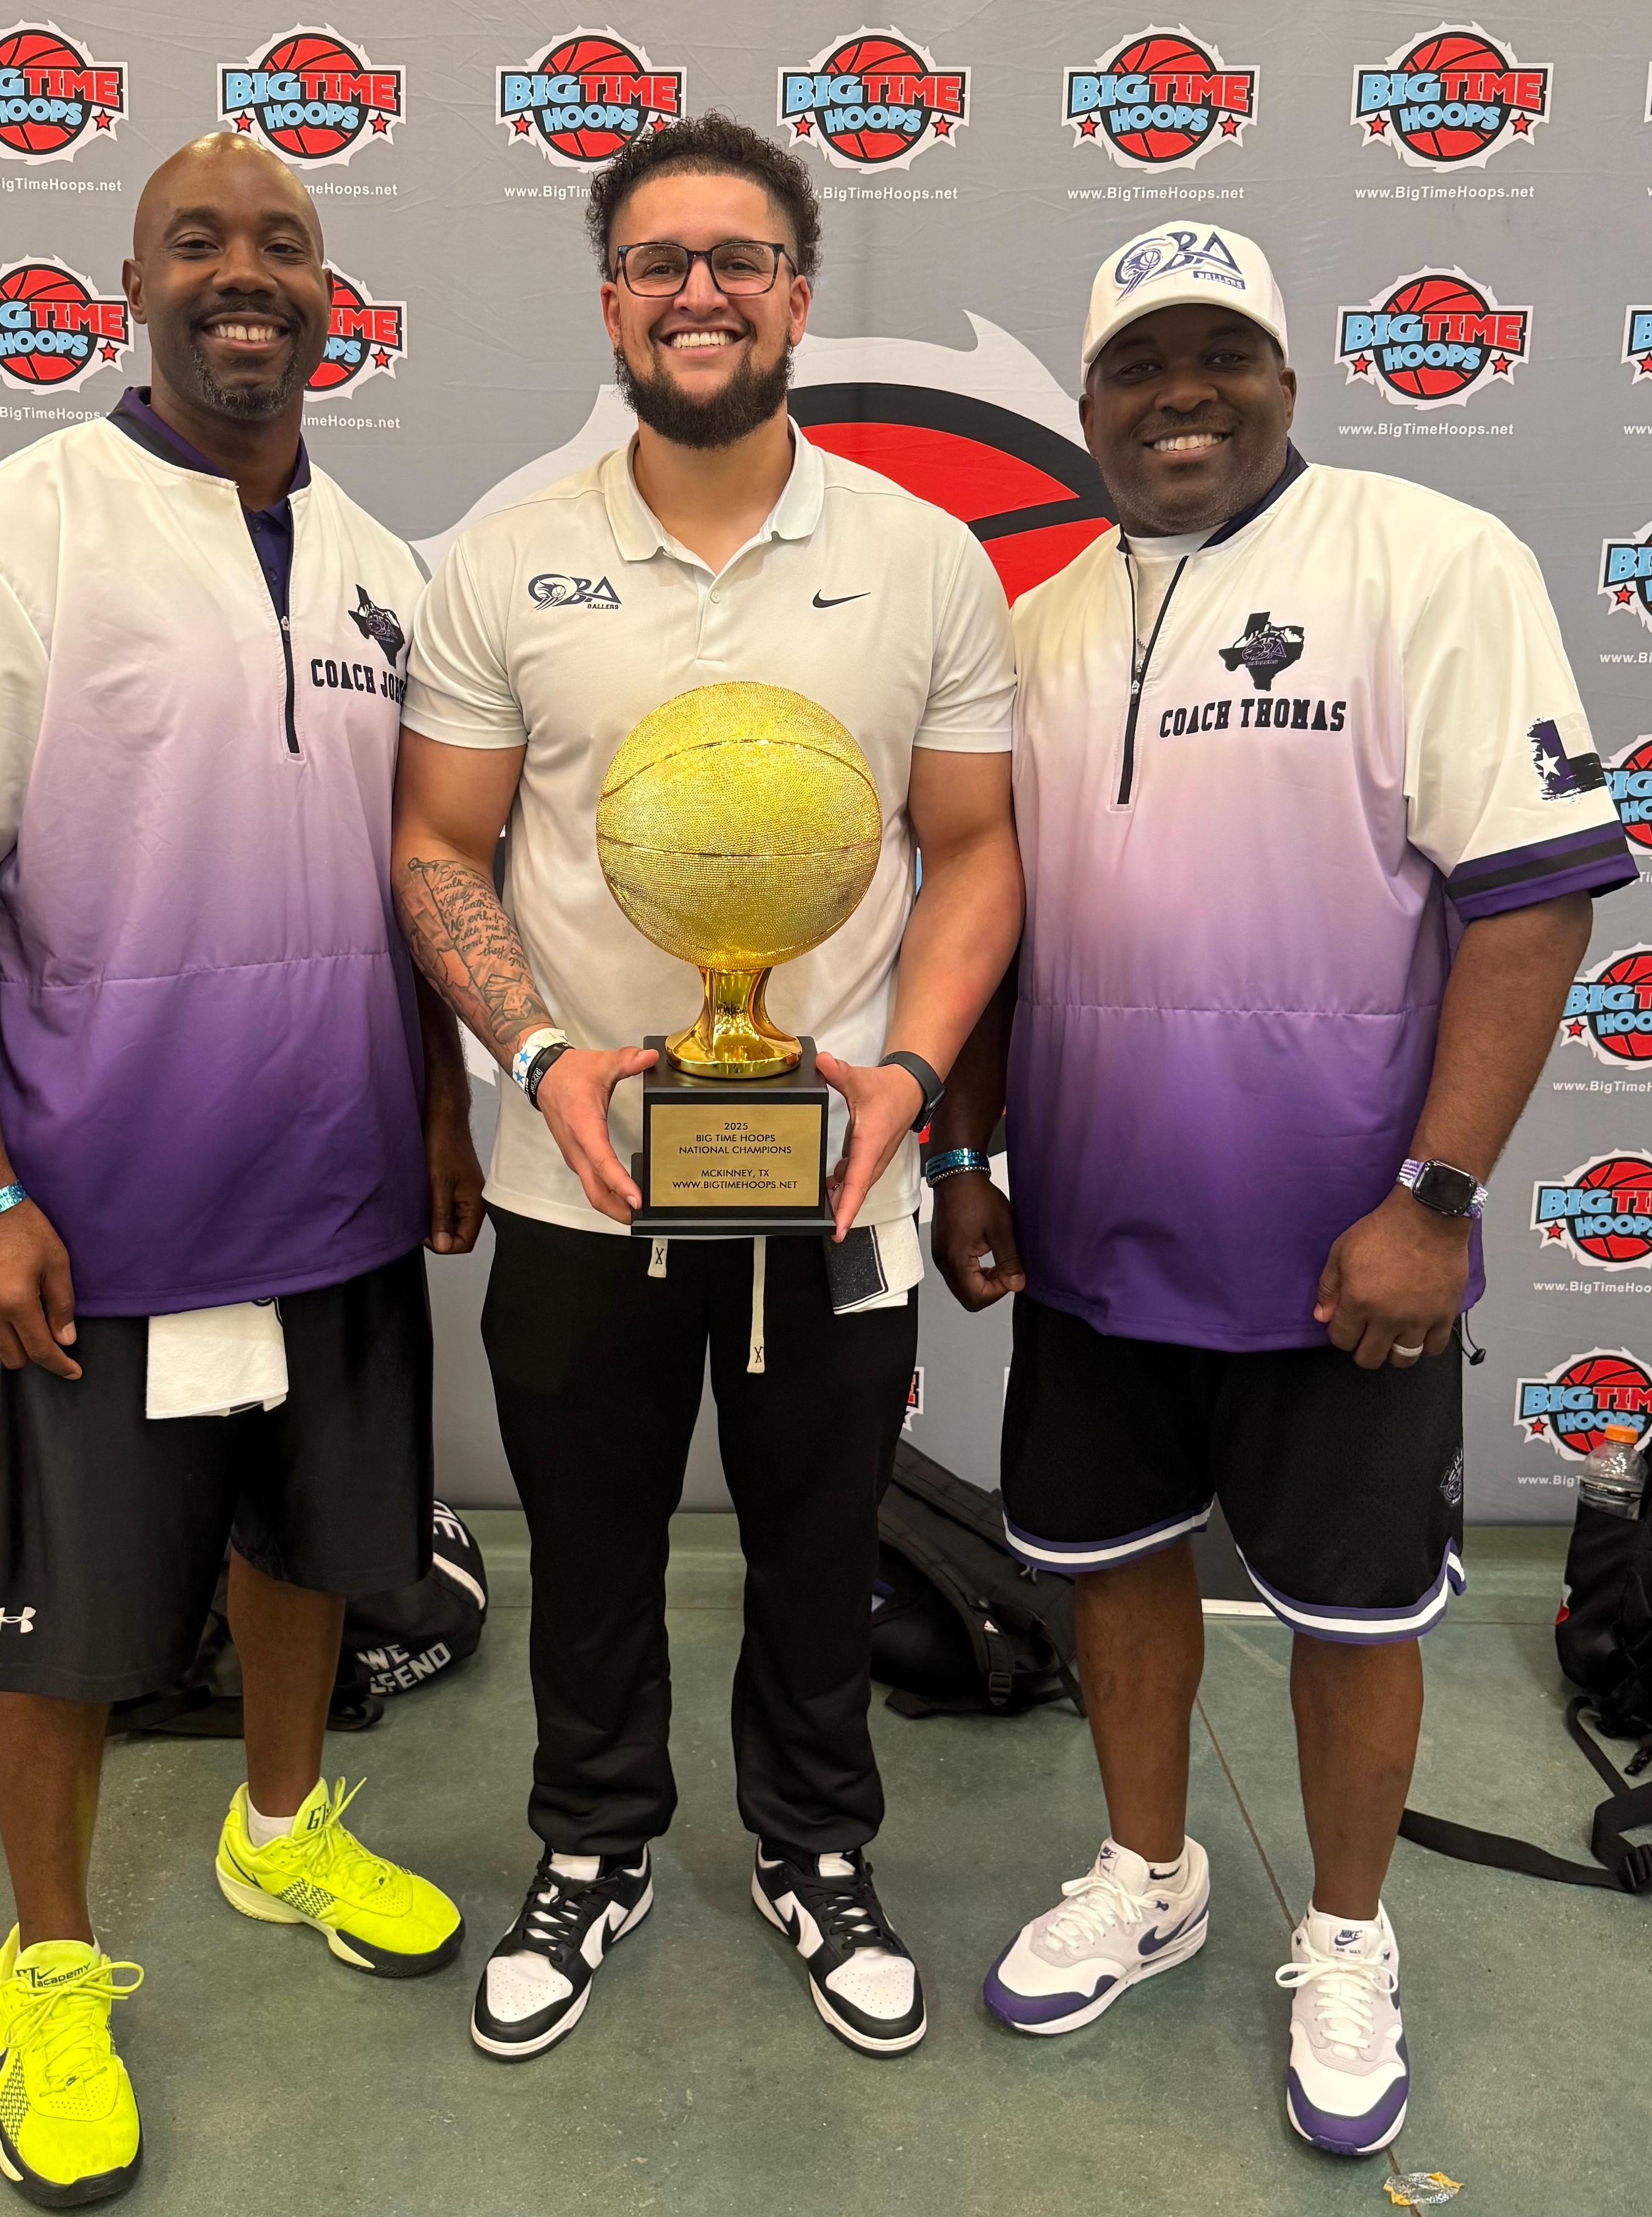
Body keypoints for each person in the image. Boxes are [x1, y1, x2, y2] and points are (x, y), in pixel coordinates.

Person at [930, 220, 1635, 2156]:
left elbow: (1529, 897)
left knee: (1353, 1608)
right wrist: (975, 1150)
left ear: (1287, 379)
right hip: (1096, 1227)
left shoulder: (1432, 563)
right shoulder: (1044, 614)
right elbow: (994, 917)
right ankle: (1150, 1872)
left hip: (1349, 1245)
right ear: (1085, 407)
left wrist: (1435, 1192)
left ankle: (1343, 1931)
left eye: (1221, 355)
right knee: (1119, 1564)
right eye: (1143, 365)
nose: (1182, 394)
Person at [0, 135, 481, 2210]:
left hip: (346, 1195)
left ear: (329, 293)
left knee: (306, 1544)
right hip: (104, 1220)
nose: (246, 275)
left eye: (285, 243)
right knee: (66, 1620)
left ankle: (279, 1829)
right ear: (133, 284)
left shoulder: (388, 563)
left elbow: (415, 879)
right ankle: (45, 1963)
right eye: (201, 242)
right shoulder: (15, 533)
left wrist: (447, 1106)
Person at [394, 114, 1020, 2062]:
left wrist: (910, 1078)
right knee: (587, 1542)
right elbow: (436, 844)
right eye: (661, 260)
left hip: (837, 1177)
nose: (700, 291)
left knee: (822, 1541)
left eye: (739, 258)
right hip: (586, 1175)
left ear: (799, 296)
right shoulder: (507, 560)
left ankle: (816, 1842)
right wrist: (551, 1058)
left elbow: (979, 848)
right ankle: (591, 1840)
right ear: (610, 300)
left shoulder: (925, 561)